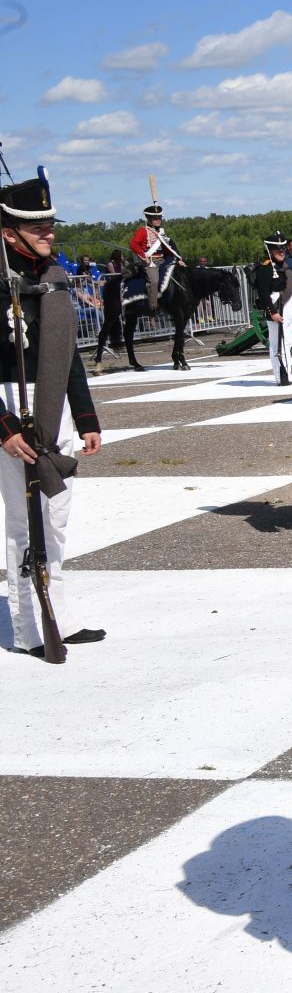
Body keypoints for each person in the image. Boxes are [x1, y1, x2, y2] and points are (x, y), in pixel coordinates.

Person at [1, 173, 106, 656]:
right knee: (25, 521)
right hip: (10, 405)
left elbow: (69, 357)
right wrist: (3, 429)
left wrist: (86, 418)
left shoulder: (54, 278)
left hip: (55, 404)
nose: (49, 233)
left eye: (49, 225)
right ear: (9, 233)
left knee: (55, 517)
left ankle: (57, 615)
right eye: (37, 227)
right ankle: (29, 628)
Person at [253, 233, 292, 385]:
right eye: (277, 250)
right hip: (275, 306)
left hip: (287, 305)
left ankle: (287, 374)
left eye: (283, 249)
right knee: (276, 344)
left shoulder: (285, 267)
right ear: (270, 251)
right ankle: (280, 377)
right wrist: (272, 312)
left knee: (287, 343)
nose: (281, 252)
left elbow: (290, 289)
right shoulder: (265, 268)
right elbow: (263, 294)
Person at [128, 201, 180, 312]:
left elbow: (167, 248)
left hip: (163, 260)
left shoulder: (161, 232)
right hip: (150, 262)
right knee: (154, 281)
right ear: (149, 219)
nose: (158, 220)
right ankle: (153, 307)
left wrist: (178, 259)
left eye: (159, 218)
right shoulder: (143, 231)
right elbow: (133, 245)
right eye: (155, 218)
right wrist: (144, 257)